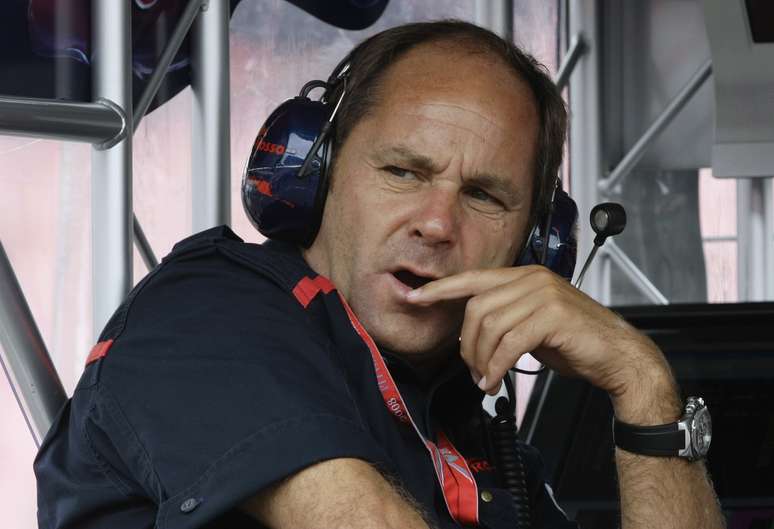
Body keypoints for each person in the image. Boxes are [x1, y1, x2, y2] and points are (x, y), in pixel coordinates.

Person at [34, 20, 725, 529]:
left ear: (535, 246)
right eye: (403, 171)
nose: (436, 222)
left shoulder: (469, 433)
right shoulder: (205, 313)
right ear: (315, 173)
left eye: (484, 195)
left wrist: (642, 382)